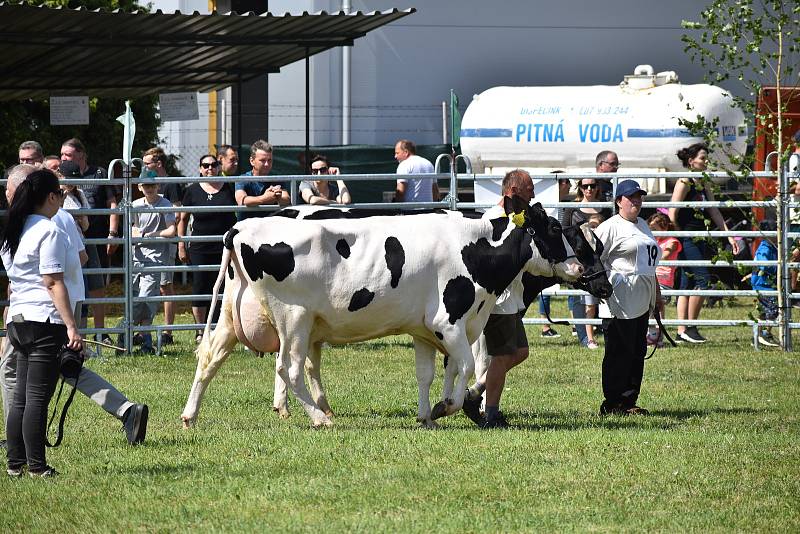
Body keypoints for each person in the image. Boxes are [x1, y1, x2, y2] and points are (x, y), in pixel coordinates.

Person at [0, 165, 148, 450]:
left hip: (41, 309)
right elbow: (81, 257)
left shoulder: (26, 227)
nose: (7, 197)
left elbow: (24, 278)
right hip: (63, 302)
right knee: (63, 367)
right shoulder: (62, 218)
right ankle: (126, 409)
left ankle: (18, 443)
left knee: (20, 379)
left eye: (9, 191)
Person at [0, 169, 82, 478]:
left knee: (20, 397)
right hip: (43, 321)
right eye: (60, 194)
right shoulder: (49, 231)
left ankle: (15, 463)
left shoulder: (18, 228)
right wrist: (72, 326)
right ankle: (37, 466)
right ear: (50, 197)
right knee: (36, 398)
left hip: (18, 320)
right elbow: (52, 282)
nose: (62, 198)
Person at [462, 169, 535, 429]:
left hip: (511, 297)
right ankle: (490, 413)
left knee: (521, 352)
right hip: (498, 298)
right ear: (512, 192)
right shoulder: (492, 220)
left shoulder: (518, 219)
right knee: (503, 356)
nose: (533, 195)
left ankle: (474, 393)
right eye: (529, 190)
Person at [594, 179, 663, 416]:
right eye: (631, 197)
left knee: (636, 351)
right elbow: (594, 259)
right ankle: (612, 402)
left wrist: (658, 294)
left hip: (643, 298)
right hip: (619, 299)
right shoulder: (609, 227)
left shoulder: (643, 224)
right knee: (618, 352)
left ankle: (629, 400)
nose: (636, 201)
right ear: (618, 201)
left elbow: (648, 265)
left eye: (639, 197)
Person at [668, 143, 740, 343]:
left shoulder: (703, 181)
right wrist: (680, 235)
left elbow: (714, 210)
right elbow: (672, 212)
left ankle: (683, 331)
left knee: (687, 282)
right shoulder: (685, 181)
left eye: (706, 158)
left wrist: (730, 236)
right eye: (702, 158)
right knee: (703, 280)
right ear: (691, 161)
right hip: (688, 237)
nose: (706, 161)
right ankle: (689, 328)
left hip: (701, 237)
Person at [60, 138, 119, 346]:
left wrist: (113, 233)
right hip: (72, 240)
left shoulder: (99, 174)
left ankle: (100, 331)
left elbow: (112, 203)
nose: (64, 158)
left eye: (68, 154)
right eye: (62, 154)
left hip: (94, 237)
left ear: (81, 154)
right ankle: (78, 332)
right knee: (77, 284)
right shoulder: (60, 178)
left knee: (97, 283)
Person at [178, 155, 237, 342]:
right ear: (200, 168)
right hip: (199, 246)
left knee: (224, 286)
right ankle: (200, 330)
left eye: (213, 165)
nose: (210, 168)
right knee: (200, 285)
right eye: (206, 165)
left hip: (226, 246)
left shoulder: (229, 187)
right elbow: (183, 219)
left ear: (219, 167)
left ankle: (222, 327)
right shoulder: (192, 190)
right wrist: (182, 244)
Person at [117, 178, 177, 354]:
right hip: (136, 257)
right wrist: (135, 232)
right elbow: (130, 228)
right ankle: (140, 340)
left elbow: (171, 231)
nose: (149, 189)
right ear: (139, 187)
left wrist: (149, 234)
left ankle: (125, 330)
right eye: (145, 185)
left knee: (146, 298)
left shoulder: (165, 204)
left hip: (155, 258)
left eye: (152, 185)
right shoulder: (135, 205)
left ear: (158, 185)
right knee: (136, 297)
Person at [563, 178, 612, 349]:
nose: (589, 189)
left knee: (597, 296)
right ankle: (584, 335)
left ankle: (594, 330)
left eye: (593, 185)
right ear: (580, 188)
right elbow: (564, 233)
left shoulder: (606, 208)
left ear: (598, 188)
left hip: (600, 258)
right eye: (585, 186)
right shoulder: (571, 208)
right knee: (579, 298)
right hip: (578, 259)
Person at [142, 147, 182, 345]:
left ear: (158, 164)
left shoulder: (170, 185)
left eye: (147, 163)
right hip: (146, 247)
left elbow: (177, 214)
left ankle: (168, 330)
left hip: (165, 244)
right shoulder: (143, 186)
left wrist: (177, 239)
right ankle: (143, 328)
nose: (144, 166)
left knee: (165, 286)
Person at [647, 212, 681, 345]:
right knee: (649, 308)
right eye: (650, 229)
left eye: (655, 229)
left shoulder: (672, 241)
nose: (652, 232)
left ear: (665, 227)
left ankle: (657, 336)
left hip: (664, 280)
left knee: (657, 308)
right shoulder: (655, 241)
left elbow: (664, 256)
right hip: (651, 277)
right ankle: (654, 335)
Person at [234, 140, 290, 220]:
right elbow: (242, 200)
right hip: (248, 228)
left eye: (269, 160)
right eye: (263, 160)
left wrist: (278, 196)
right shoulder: (242, 179)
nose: (267, 164)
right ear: (252, 161)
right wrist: (265, 198)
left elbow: (286, 199)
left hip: (269, 227)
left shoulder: (276, 180)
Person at [751, 219, 780, 347]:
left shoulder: (773, 247)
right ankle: (763, 334)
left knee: (768, 311)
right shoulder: (764, 248)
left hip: (768, 285)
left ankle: (760, 336)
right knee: (772, 308)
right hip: (762, 285)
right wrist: (776, 268)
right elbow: (763, 264)